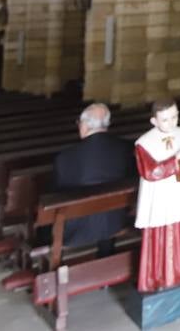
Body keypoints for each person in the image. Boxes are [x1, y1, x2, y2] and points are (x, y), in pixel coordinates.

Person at [134, 98, 180, 292]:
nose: (172, 122)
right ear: (154, 121)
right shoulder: (144, 143)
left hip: (178, 192)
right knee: (159, 234)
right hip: (158, 195)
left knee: (179, 231)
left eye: (175, 117)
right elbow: (150, 172)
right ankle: (157, 278)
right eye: (165, 119)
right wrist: (174, 161)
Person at [52, 103, 136, 257]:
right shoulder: (127, 148)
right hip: (117, 220)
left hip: (78, 229)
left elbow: (59, 192)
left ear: (84, 126)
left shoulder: (65, 158)